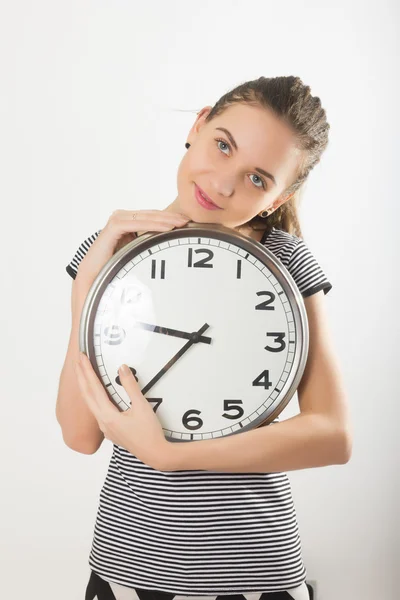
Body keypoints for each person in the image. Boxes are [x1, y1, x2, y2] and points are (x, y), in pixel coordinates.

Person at [57, 75, 352, 600]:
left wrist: (176, 456)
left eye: (257, 179)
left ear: (278, 196)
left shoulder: (286, 262)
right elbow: (81, 436)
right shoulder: (110, 250)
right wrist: (87, 288)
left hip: (256, 572)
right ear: (198, 125)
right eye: (222, 145)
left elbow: (333, 435)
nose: (221, 184)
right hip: (131, 568)